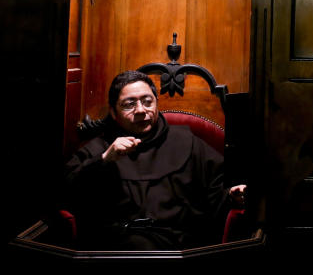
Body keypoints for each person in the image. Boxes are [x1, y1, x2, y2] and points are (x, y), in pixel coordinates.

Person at [63, 70, 246, 249]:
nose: (141, 111)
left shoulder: (185, 142)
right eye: (129, 104)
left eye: (147, 102)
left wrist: (231, 195)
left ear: (156, 104)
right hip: (115, 251)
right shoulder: (100, 148)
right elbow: (66, 193)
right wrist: (103, 160)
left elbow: (216, 190)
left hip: (178, 249)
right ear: (113, 112)